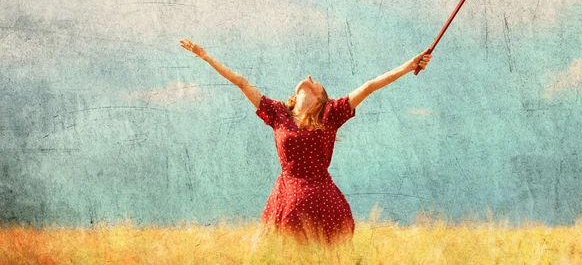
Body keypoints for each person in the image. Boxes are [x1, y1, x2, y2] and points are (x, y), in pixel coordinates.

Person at [179, 38, 432, 249]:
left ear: (321, 98)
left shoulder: (330, 113)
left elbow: (370, 86)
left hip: (322, 200)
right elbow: (242, 82)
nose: (309, 76)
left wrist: (409, 66)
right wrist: (204, 55)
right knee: (266, 254)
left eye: (316, 80)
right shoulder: (277, 112)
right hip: (285, 197)